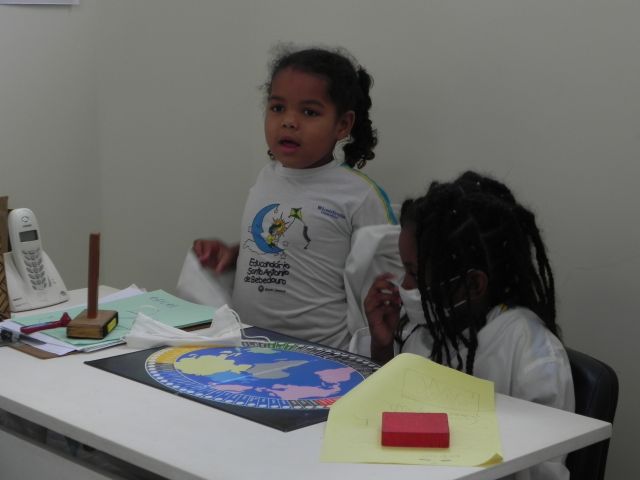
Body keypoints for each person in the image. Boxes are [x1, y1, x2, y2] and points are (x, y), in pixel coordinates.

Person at [365, 171, 574, 480]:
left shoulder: (533, 358)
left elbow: (541, 471)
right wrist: (382, 349)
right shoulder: (423, 330)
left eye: (415, 273)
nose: (404, 285)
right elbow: (390, 416)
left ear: (474, 284)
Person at [194, 46, 396, 349]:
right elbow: (284, 247)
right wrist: (232, 255)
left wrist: (377, 355)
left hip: (323, 358)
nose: (289, 121)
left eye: (309, 112)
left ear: (342, 124)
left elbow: (385, 286)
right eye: (278, 108)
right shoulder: (266, 178)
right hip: (250, 348)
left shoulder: (359, 195)